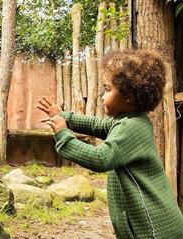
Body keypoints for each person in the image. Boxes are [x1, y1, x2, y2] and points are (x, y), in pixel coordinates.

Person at [37, 49, 183, 239]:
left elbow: (101, 158)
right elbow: (98, 125)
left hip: (154, 227)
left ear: (129, 95)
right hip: (151, 224)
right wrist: (63, 116)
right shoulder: (130, 120)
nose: (101, 96)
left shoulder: (132, 127)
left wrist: (64, 136)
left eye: (107, 89)